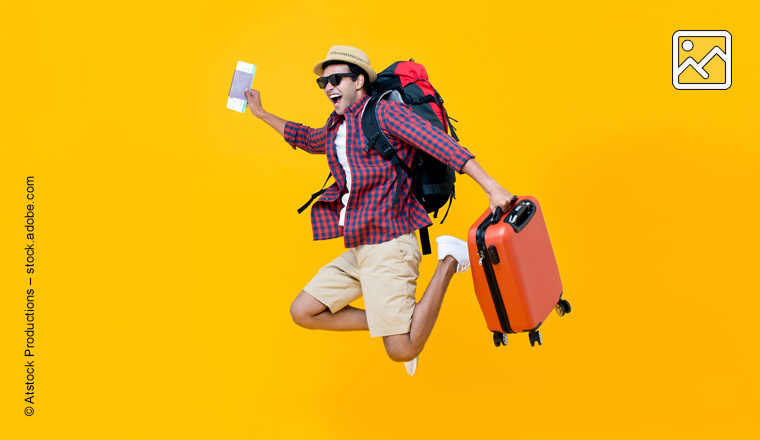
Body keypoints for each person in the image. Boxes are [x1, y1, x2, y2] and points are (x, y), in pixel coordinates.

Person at [244, 45, 513, 375]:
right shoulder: (336, 127)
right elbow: (305, 138)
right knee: (303, 311)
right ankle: (399, 321)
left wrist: (492, 187)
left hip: (391, 243)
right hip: (360, 245)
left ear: (358, 81)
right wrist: (262, 113)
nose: (328, 86)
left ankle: (450, 260)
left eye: (336, 78)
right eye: (323, 82)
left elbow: (442, 145)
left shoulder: (384, 113)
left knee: (401, 349)